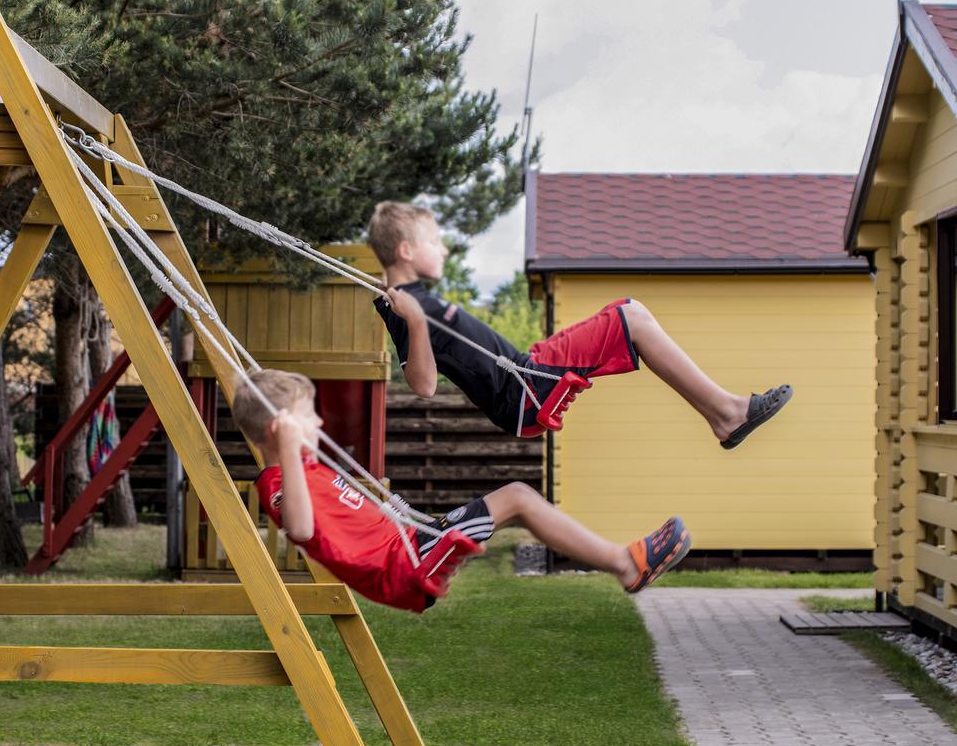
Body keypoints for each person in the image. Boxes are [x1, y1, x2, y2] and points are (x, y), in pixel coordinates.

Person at [231, 368, 692, 612]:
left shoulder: (303, 466)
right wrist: (289, 451)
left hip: (413, 545)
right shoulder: (279, 481)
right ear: (280, 430)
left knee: (518, 495)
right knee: (516, 497)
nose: (318, 423)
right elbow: (302, 528)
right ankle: (623, 564)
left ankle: (622, 563)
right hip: (405, 564)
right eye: (308, 416)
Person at [367, 201, 792, 444]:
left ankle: (722, 414)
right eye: (434, 242)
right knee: (633, 317)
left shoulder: (410, 302)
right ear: (406, 250)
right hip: (523, 390)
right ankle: (727, 412)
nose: (443, 249)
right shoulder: (408, 308)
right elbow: (423, 387)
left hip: (526, 367)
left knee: (624, 307)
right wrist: (417, 323)